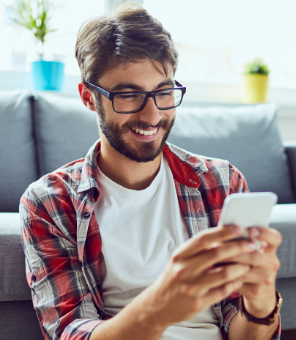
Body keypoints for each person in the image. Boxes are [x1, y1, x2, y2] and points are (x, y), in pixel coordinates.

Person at [20, 3, 282, 340]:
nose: (152, 114)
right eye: (128, 95)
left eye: (163, 92)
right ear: (88, 97)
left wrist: (260, 304)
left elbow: (246, 335)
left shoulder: (221, 182)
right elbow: (71, 332)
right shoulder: (49, 202)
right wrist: (160, 308)